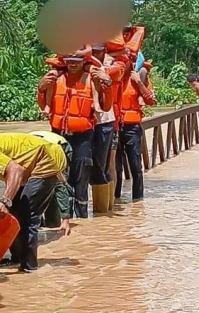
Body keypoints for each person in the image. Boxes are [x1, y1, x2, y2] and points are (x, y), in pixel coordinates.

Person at [0, 133, 70, 273]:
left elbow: (16, 170)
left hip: (48, 158)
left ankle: (29, 268)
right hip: (29, 165)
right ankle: (17, 258)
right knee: (11, 215)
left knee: (26, 216)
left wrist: (4, 201)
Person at [37, 54, 111, 219]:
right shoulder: (56, 79)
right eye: (70, 61)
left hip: (83, 136)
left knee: (81, 176)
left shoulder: (92, 79)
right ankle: (64, 217)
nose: (73, 64)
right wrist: (40, 89)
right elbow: (42, 105)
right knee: (60, 176)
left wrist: (107, 83)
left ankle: (83, 219)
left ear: (84, 61)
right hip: (59, 135)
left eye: (77, 61)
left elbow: (106, 106)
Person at [90, 37, 127, 213]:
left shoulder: (115, 65)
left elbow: (116, 72)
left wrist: (103, 71)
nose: (95, 54)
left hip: (108, 121)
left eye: (99, 50)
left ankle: (108, 205)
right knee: (86, 166)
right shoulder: (82, 65)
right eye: (93, 51)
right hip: (88, 123)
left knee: (108, 164)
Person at [115, 59, 155, 201]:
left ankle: (138, 201)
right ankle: (116, 199)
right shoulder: (112, 77)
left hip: (132, 127)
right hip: (114, 126)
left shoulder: (139, 77)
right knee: (116, 167)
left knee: (135, 165)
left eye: (124, 62)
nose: (121, 65)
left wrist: (139, 83)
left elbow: (151, 101)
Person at [30, 130, 75, 231]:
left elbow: (60, 186)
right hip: (39, 144)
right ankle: (39, 222)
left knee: (54, 184)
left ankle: (54, 223)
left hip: (60, 146)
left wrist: (65, 218)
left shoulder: (52, 156)